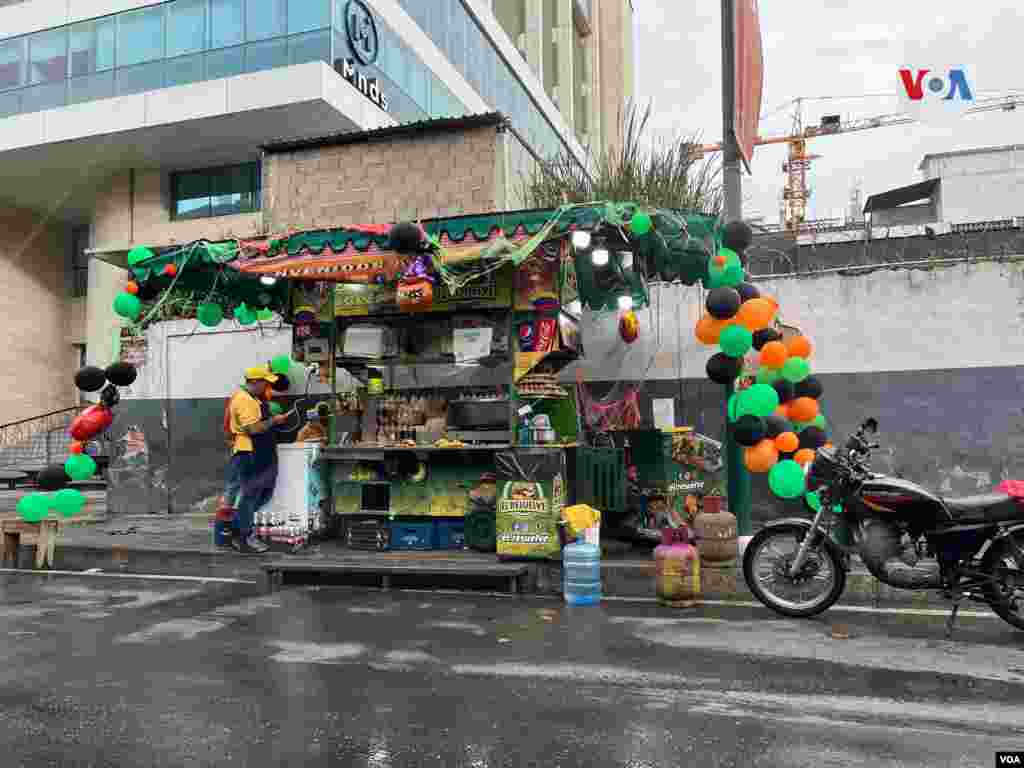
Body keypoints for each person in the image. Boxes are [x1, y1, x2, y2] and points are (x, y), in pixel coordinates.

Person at [228, 366, 290, 553]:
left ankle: (240, 528)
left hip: (263, 452)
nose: (267, 387)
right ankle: (243, 537)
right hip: (251, 453)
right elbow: (252, 429)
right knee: (251, 495)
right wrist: (274, 421)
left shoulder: (255, 398)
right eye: (265, 383)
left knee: (264, 493)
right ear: (254, 382)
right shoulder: (244, 400)